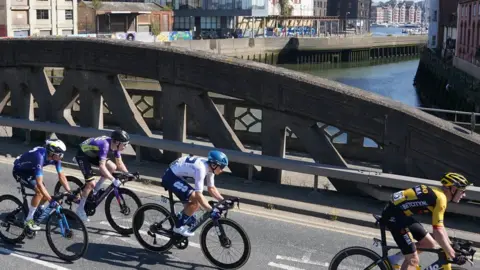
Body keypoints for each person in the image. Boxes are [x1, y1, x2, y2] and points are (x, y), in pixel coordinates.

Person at [381, 172, 472, 270]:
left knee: (429, 244)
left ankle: (395, 259)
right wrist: (452, 254)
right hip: (394, 217)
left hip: (401, 214)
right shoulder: (440, 199)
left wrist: (450, 245)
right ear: (453, 189)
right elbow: (437, 232)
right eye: (462, 191)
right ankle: (403, 259)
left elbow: (440, 227)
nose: (464, 194)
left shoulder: (439, 195)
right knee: (413, 260)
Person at [161, 150, 228, 237]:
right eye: (222, 167)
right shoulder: (201, 169)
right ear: (214, 165)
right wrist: (211, 210)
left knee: (193, 206)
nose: (222, 170)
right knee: (195, 202)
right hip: (170, 177)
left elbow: (211, 188)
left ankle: (181, 218)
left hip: (177, 175)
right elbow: (198, 195)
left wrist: (223, 201)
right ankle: (177, 227)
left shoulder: (210, 168)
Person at [12, 139, 71, 231]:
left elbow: (61, 176)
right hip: (20, 171)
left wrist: (69, 191)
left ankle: (37, 209)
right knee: (40, 192)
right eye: (60, 154)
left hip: (32, 170)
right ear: (52, 152)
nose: (61, 157)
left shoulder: (55, 157)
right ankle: (28, 220)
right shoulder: (39, 157)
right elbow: (39, 184)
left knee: (44, 195)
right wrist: (51, 200)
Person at [74, 129, 130, 222]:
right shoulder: (105, 145)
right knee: (91, 183)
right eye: (124, 144)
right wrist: (113, 180)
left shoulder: (115, 146)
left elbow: (119, 164)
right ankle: (80, 210)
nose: (126, 146)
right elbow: (102, 167)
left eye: (126, 144)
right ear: (117, 142)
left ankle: (96, 189)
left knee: (112, 167)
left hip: (93, 153)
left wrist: (128, 174)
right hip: (82, 155)